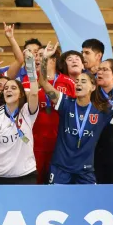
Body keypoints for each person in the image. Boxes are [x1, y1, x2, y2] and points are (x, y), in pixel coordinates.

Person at [39, 43, 113, 184]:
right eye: (77, 81)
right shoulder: (66, 103)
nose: (78, 84)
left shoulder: (103, 110)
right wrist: (44, 59)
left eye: (83, 81)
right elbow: (44, 83)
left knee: (88, 205)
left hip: (85, 171)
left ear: (93, 87)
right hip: (60, 168)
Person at [0, 50, 39, 184]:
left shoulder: (27, 111)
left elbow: (34, 94)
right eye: (6, 88)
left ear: (21, 94)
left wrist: (31, 67)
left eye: (13, 88)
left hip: (25, 174)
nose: (8, 90)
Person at [32, 46, 76, 184]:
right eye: (37, 55)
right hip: (36, 142)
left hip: (60, 142)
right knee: (36, 182)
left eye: (42, 55)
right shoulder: (31, 82)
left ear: (54, 59)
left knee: (55, 183)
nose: (38, 58)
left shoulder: (68, 82)